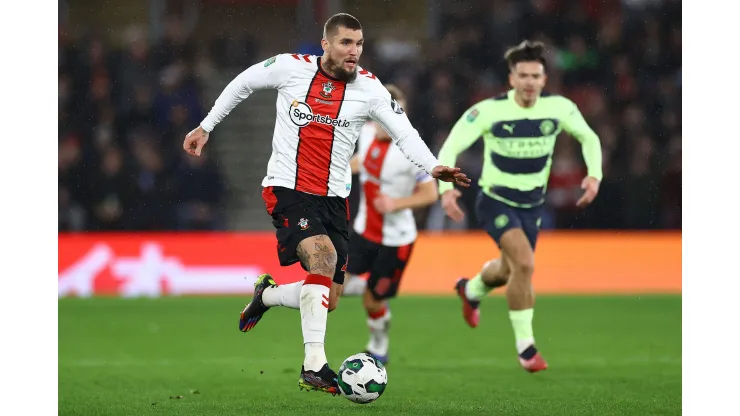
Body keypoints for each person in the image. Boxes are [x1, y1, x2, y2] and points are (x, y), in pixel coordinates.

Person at [183, 13, 470, 394]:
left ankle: (266, 295)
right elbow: (243, 82)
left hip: (335, 200)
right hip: (288, 189)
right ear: (326, 44)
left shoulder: (370, 89)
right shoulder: (290, 68)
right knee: (324, 259)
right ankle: (314, 367)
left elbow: (404, 132)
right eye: (346, 43)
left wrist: (434, 166)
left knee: (328, 298)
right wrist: (206, 126)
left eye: (359, 44)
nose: (354, 52)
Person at [437, 40, 602, 373]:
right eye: (523, 75)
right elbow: (450, 146)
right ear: (511, 78)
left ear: (544, 80)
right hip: (495, 199)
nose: (529, 82)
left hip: (532, 206)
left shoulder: (560, 108)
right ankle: (526, 348)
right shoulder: (489, 111)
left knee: (509, 270)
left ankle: (470, 290)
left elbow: (590, 138)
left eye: (535, 76)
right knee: (525, 264)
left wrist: (593, 176)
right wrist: (446, 189)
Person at [341, 85, 438, 366]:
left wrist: (396, 203)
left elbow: (431, 194)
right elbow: (364, 161)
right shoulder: (368, 132)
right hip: (362, 232)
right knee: (336, 289)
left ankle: (378, 343)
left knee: (372, 302)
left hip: (396, 240)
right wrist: (343, 169)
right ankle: (372, 287)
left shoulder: (413, 150)